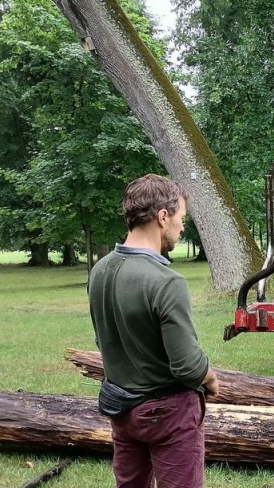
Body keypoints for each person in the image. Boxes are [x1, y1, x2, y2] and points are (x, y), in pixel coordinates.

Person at [88, 174, 219, 488]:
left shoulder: (100, 270)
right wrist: (212, 379)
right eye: (180, 218)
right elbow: (186, 365)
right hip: (168, 412)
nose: (182, 226)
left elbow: (104, 339)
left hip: (120, 409)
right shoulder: (166, 281)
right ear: (163, 216)